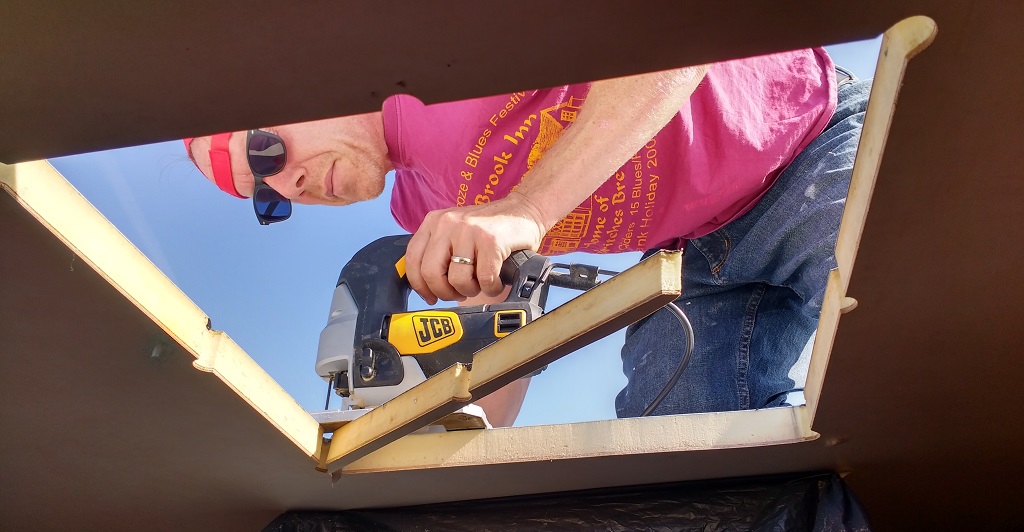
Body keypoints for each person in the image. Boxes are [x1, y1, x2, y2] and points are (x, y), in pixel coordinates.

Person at [185, 48, 871, 426]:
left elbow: (670, 44)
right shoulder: (419, 206)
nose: (289, 187)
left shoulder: (431, 49)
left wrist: (526, 207)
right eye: (267, 200)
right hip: (691, 259)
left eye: (268, 151)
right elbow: (499, 325)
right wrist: (455, 445)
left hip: (808, 146)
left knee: (919, 341)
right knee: (681, 465)